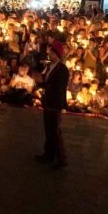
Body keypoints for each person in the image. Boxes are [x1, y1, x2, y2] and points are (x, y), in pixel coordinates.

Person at [36, 39, 68, 169]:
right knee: (48, 129)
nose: (49, 54)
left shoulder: (62, 69)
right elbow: (46, 81)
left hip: (55, 103)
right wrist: (40, 82)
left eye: (51, 52)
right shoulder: (49, 66)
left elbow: (58, 87)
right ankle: (48, 153)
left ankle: (61, 159)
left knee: (55, 130)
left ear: (57, 54)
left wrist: (44, 84)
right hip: (48, 101)